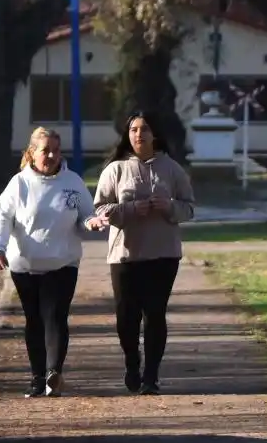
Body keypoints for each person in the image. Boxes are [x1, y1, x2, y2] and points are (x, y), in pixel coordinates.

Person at [0, 127, 108, 398]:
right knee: (34, 320)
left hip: (63, 262)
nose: (52, 155)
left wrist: (92, 222)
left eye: (56, 150)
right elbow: (2, 218)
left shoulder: (72, 181)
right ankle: (36, 377)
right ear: (32, 153)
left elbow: (86, 213)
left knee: (55, 316)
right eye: (46, 150)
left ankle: (54, 372)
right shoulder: (18, 184)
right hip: (25, 265)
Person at [93, 111, 195, 395]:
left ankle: (151, 376)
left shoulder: (172, 168)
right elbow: (100, 208)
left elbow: (189, 207)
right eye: (134, 130)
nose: (139, 134)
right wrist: (127, 210)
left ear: (155, 135)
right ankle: (131, 362)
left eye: (145, 129)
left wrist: (169, 207)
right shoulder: (115, 170)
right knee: (127, 317)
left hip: (163, 254)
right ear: (128, 135)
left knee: (155, 315)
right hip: (125, 255)